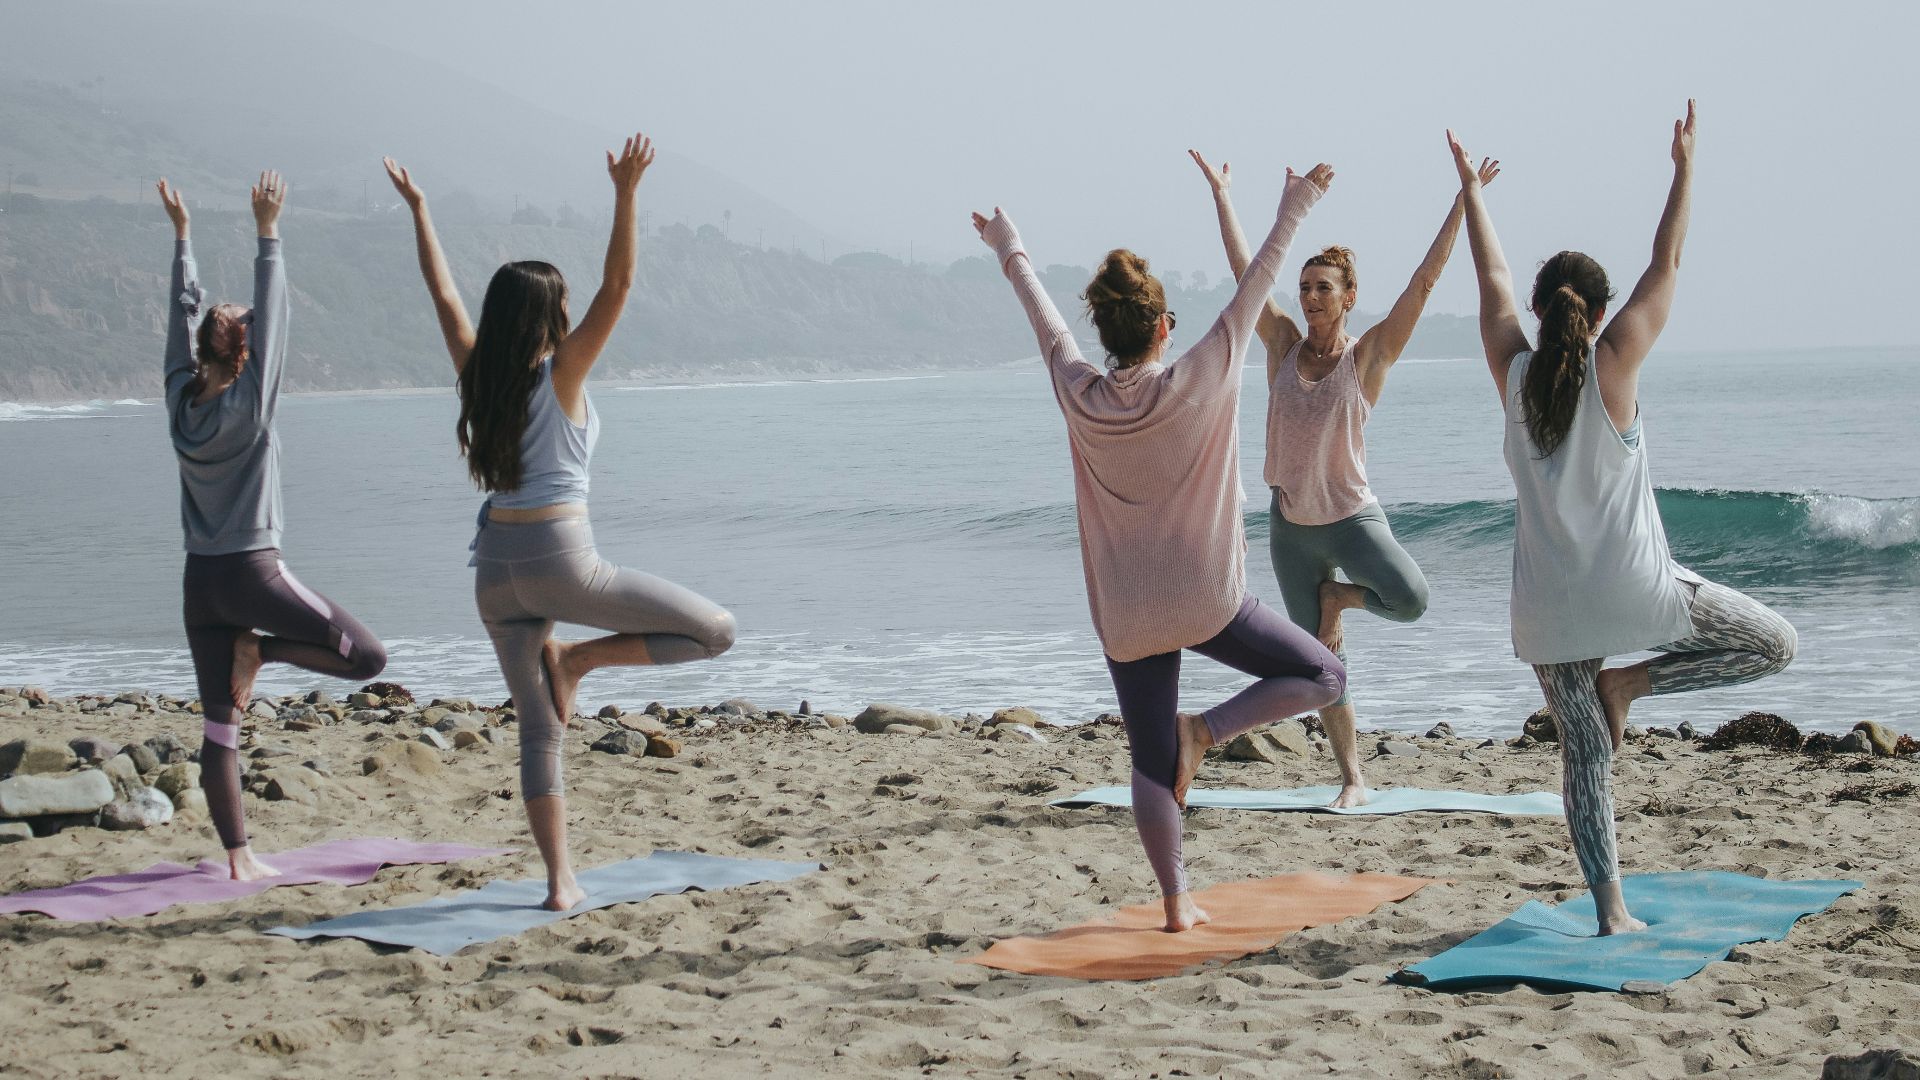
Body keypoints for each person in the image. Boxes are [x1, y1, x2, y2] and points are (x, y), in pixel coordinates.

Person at [971, 162, 1345, 933]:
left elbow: (1044, 320)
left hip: (1127, 615)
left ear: (1105, 336)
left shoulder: (1077, 389)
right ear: (1164, 327)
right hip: (1208, 600)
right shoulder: (1201, 375)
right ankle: (1205, 731)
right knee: (1324, 675)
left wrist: (1010, 247)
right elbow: (1260, 281)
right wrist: (1297, 204)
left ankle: (1176, 906)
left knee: (1146, 763)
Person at [1450, 101, 1795, 934]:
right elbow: (1666, 261)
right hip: (1639, 593)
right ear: (1599, 314)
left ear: (1539, 313)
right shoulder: (1618, 364)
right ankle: (1634, 681)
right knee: (1774, 645)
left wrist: (1473, 196)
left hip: (1549, 612)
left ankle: (1612, 913)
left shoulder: (1513, 374)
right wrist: (1683, 171)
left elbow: (1489, 284)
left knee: (1586, 759)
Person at [385, 134, 736, 912]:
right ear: (552, 314)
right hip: (559, 561)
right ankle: (578, 661)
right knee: (715, 632)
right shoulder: (563, 372)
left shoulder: (480, 376)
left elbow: (443, 298)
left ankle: (559, 883)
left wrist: (420, 211)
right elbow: (621, 283)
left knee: (538, 733)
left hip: (493, 577)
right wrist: (626, 191)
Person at [1188, 149, 1500, 808]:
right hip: (1292, 529)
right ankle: (1353, 777)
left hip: (1354, 521)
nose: (1308, 297)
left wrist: (1462, 200)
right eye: (1304, 287)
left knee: (1410, 598)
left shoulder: (1370, 358)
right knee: (1322, 672)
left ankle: (1342, 600)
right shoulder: (1278, 346)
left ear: (1349, 297)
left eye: (1322, 287)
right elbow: (1249, 274)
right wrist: (1222, 195)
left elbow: (1424, 282)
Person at [158, 173, 388, 881]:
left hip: (202, 585)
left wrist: (185, 241)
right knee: (367, 658)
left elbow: (179, 317)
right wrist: (268, 232)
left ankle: (239, 858)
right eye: (243, 325)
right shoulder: (252, 405)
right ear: (244, 354)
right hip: (255, 576)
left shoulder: (178, 399)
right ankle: (262, 653)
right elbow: (276, 311)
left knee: (219, 729)